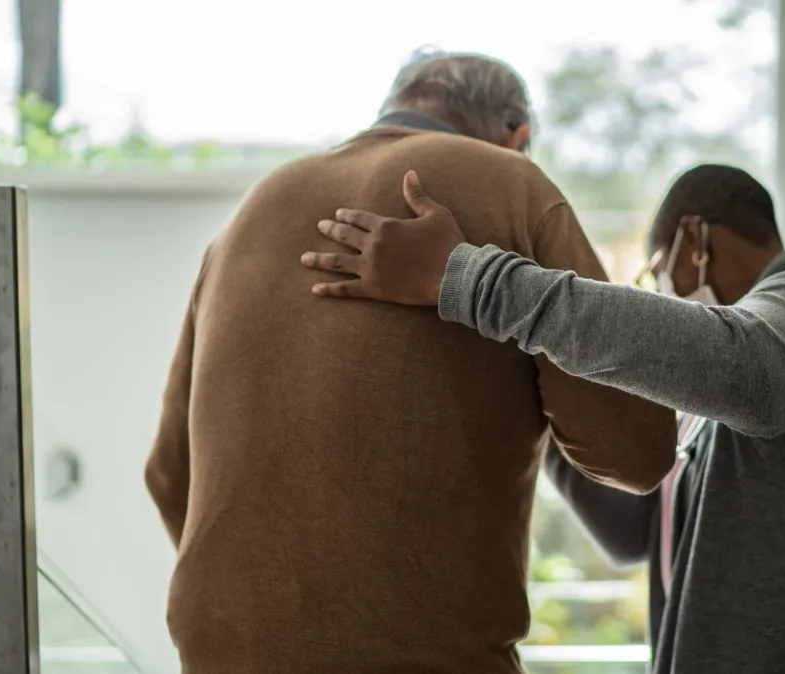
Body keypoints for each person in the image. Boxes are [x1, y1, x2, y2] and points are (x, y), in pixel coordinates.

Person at [299, 165, 785, 673]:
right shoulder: (711, 416)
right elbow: (634, 533)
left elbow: (756, 377)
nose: (663, 292)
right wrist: (547, 384)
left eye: (659, 275)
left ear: (695, 240)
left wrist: (472, 282)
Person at [144, 50, 676, 674]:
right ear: (518, 137)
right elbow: (635, 449)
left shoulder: (249, 215)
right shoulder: (512, 183)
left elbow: (167, 474)